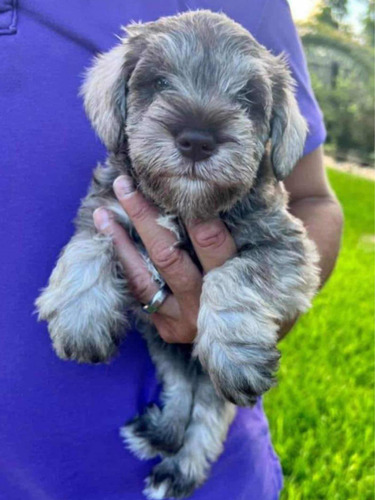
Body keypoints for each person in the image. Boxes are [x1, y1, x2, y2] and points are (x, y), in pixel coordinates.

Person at [0, 1, 343, 499]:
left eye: (245, 100)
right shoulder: (114, 181)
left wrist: (232, 307)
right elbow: (99, 225)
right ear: (116, 97)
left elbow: (310, 211)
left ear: (272, 126)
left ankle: (194, 446)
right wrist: (86, 270)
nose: (197, 134)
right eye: (160, 84)